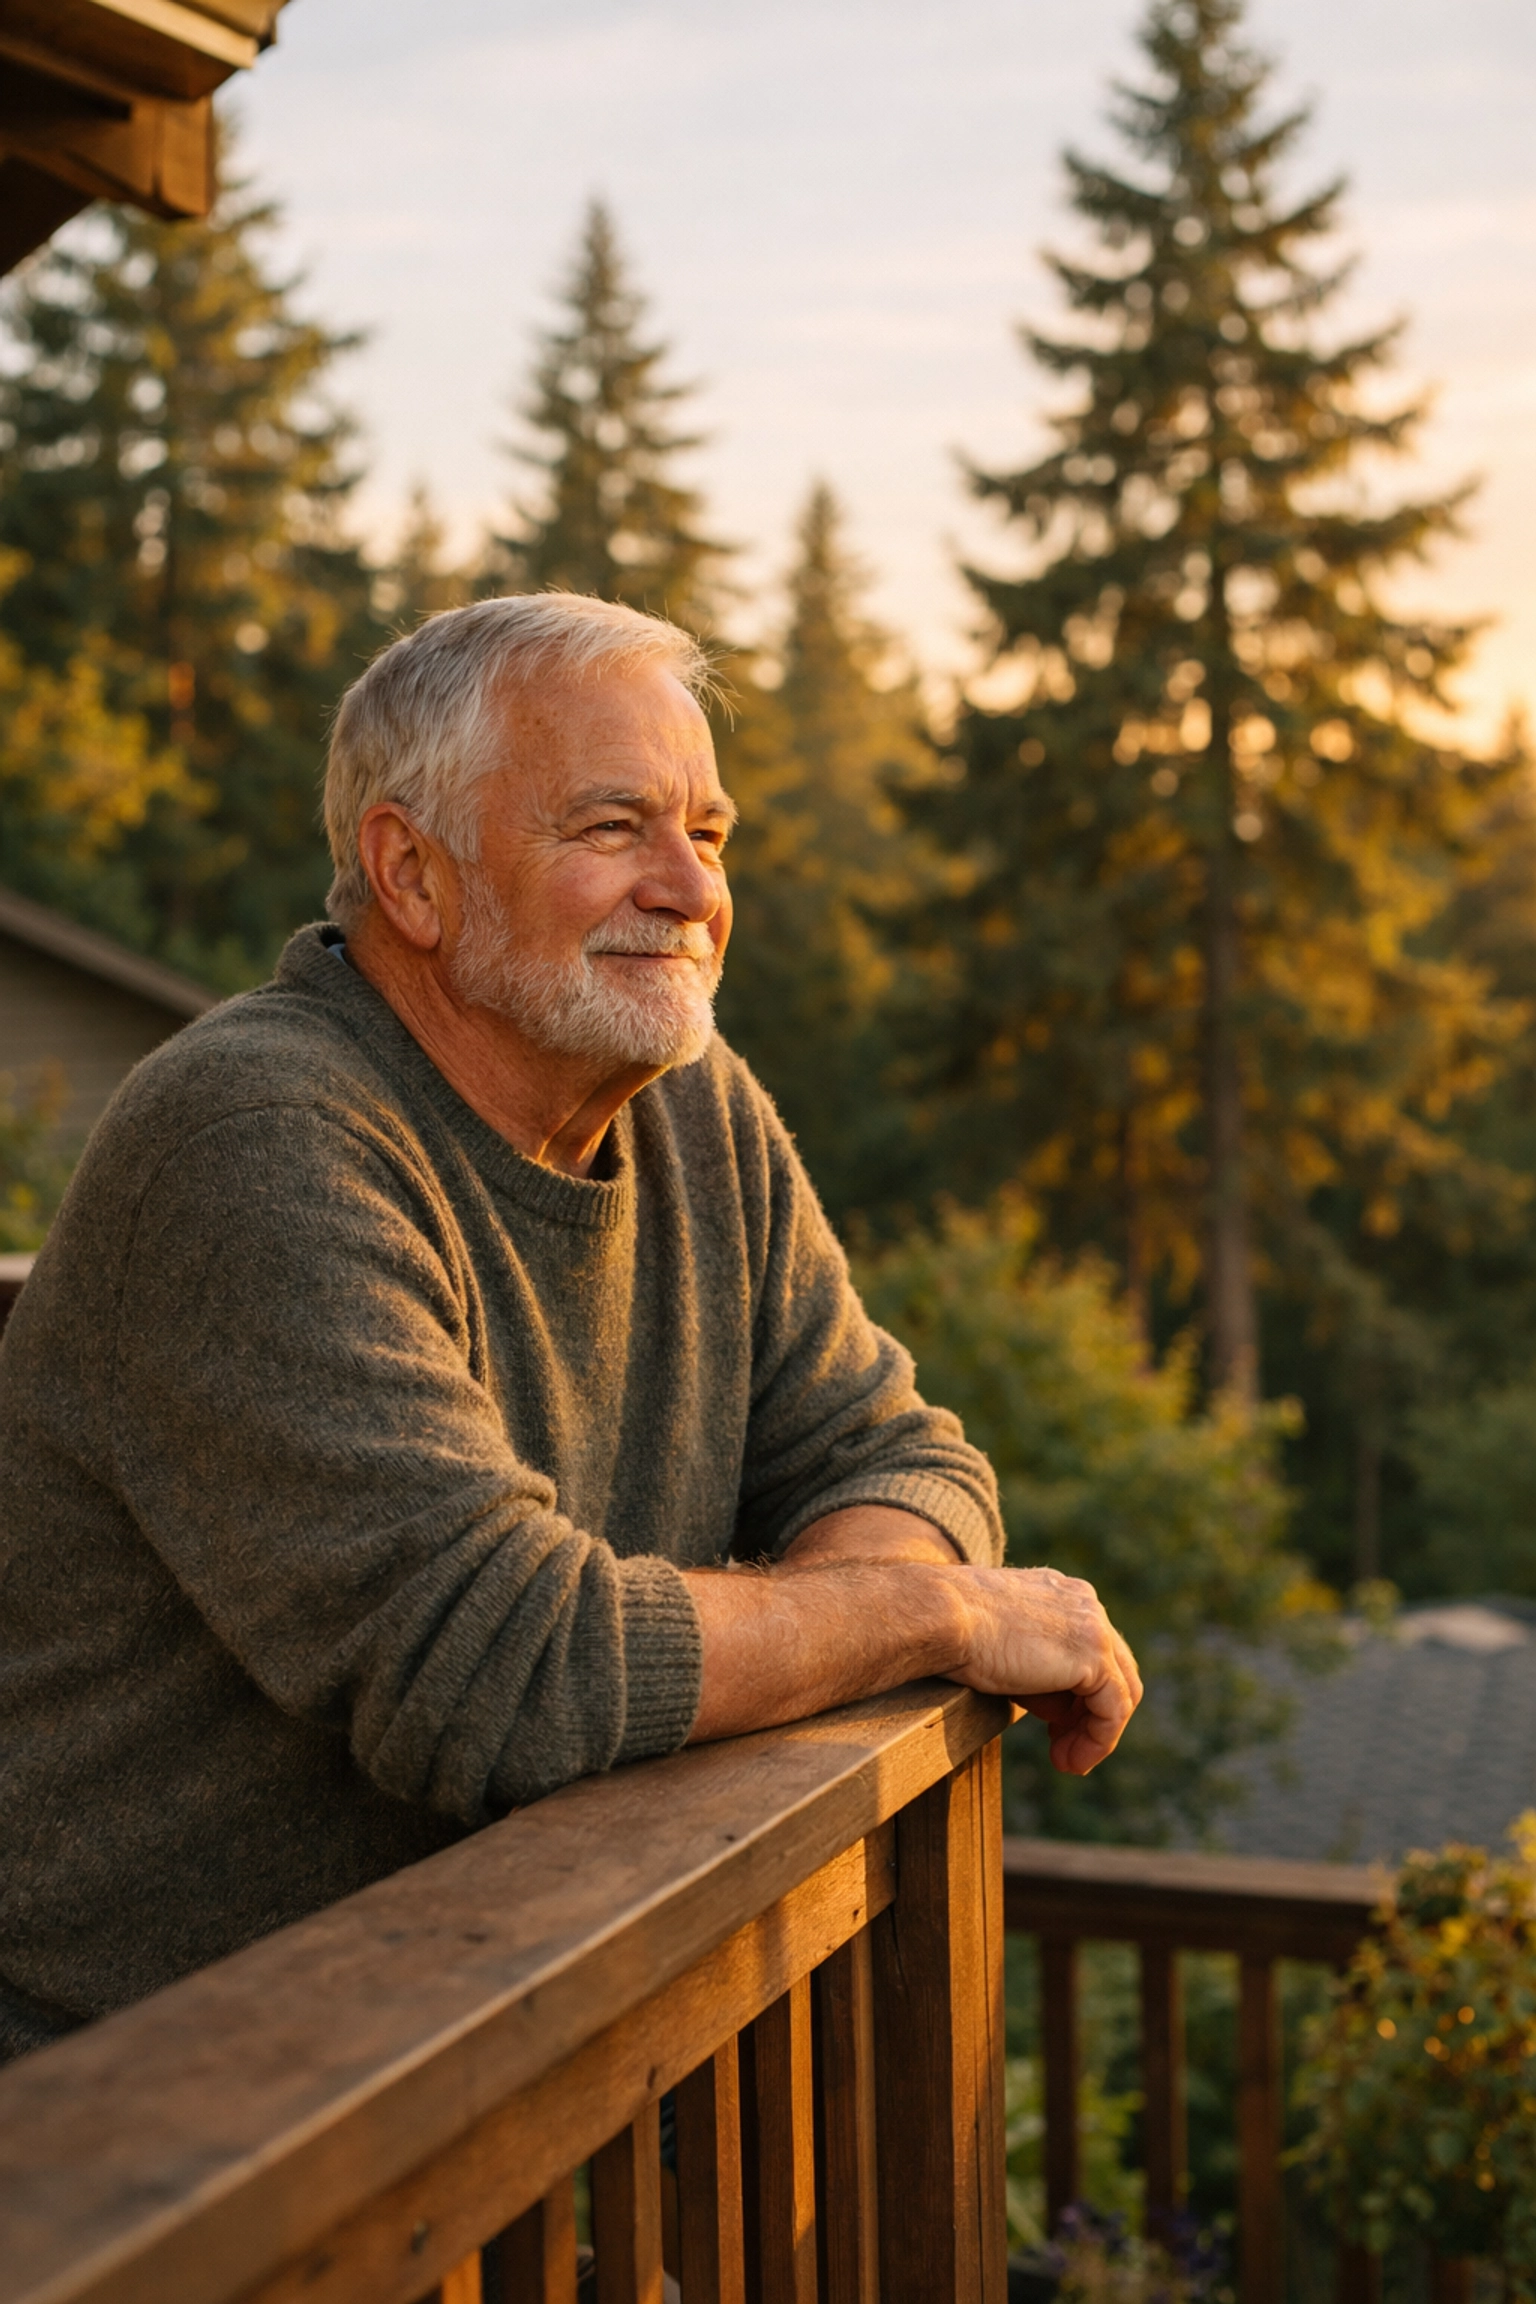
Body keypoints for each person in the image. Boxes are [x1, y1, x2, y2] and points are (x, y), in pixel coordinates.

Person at [0, 594, 1140, 2062]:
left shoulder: (691, 1106)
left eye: (711, 835)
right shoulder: (253, 1137)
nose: (688, 890)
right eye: (613, 828)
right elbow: (502, 1672)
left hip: (496, 2045)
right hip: (149, 2115)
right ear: (411, 873)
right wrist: (929, 1614)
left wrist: (800, 1633)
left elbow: (889, 1453)